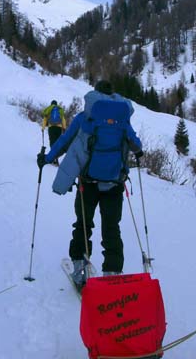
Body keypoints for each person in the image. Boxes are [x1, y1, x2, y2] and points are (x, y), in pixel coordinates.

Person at [37, 80, 143, 287]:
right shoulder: (122, 118)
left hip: (88, 183)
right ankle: (112, 273)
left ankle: (80, 271)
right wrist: (137, 151)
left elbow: (64, 141)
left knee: (83, 225)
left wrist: (47, 158)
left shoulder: (85, 117)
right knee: (112, 228)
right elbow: (136, 145)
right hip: (114, 182)